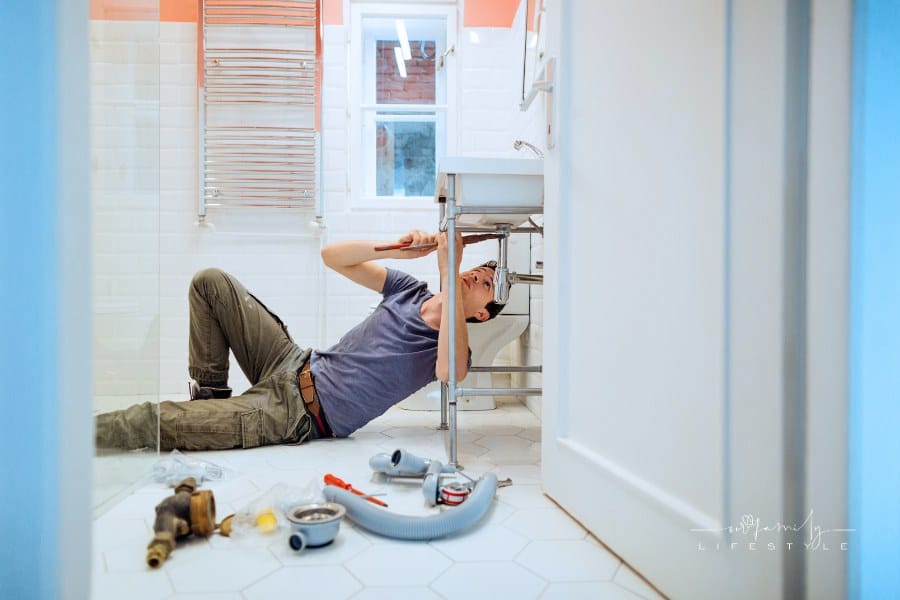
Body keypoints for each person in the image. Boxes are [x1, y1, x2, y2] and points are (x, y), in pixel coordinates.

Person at [95, 230, 504, 451]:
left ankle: (72, 437)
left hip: (294, 414)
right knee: (210, 283)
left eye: (486, 284)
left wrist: (449, 275)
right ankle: (212, 402)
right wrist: (396, 250)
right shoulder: (408, 289)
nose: (476, 276)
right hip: (289, 361)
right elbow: (332, 256)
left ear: (481, 314)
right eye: (479, 270)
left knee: (151, 420)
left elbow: (451, 372)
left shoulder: (455, 343)